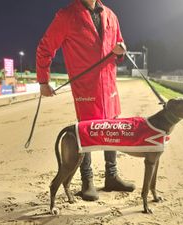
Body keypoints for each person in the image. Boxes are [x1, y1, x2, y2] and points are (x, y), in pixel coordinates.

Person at [36, 0, 135, 201]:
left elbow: (120, 47)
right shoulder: (66, 16)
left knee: (112, 127)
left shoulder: (111, 15)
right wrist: (43, 80)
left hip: (109, 84)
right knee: (86, 130)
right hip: (85, 86)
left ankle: (111, 176)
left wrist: (121, 50)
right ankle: (87, 181)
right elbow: (45, 47)